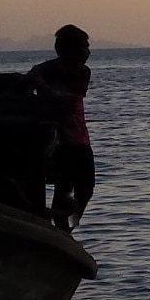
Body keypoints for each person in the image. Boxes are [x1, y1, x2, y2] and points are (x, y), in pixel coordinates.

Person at [28, 25, 94, 230]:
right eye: (84, 47)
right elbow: (23, 90)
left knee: (86, 188)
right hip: (57, 140)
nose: (88, 51)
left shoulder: (82, 72)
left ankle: (68, 227)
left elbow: (69, 98)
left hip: (79, 139)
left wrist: (42, 85)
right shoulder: (44, 70)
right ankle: (61, 228)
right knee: (62, 188)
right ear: (71, 50)